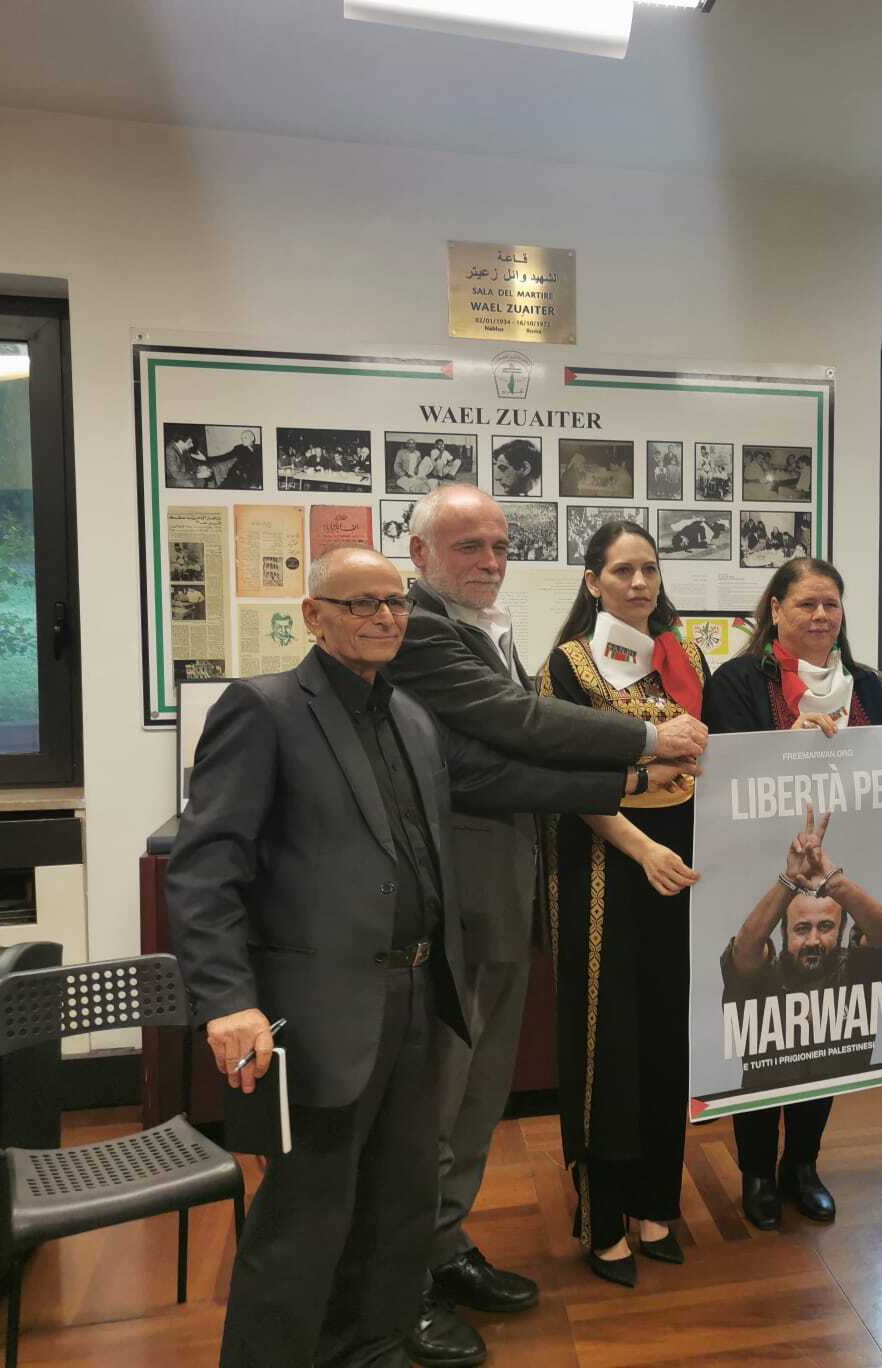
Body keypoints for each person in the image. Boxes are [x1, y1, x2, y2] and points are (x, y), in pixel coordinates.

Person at [165, 546, 632, 1368]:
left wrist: (630, 780)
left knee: (398, 1205)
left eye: (394, 603)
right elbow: (205, 871)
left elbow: (492, 781)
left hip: (421, 995)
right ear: (314, 617)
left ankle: (370, 1348)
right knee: (305, 1219)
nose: (385, 617)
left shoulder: (412, 717)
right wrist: (228, 1001)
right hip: (321, 1013)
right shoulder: (264, 711)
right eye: (361, 604)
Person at [385, 487, 707, 1363]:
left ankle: (444, 1245)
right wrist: (642, 754)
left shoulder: (485, 627)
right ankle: (404, 1284)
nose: (490, 561)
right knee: (439, 1096)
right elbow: (508, 737)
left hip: (506, 893)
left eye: (499, 545)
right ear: (420, 556)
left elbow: (507, 760)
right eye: (467, 546)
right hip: (456, 899)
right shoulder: (421, 630)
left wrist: (628, 778)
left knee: (480, 1092)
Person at [702, 556, 882, 1230]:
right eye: (806, 603)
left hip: (843, 869)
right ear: (775, 609)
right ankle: (756, 1170)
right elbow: (723, 771)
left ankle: (802, 1164)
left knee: (826, 1034)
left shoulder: (868, 684)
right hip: (757, 872)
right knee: (760, 1033)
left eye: (831, 604)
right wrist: (783, 745)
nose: (820, 616)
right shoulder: (736, 681)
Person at [541, 520, 709, 1289]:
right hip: (605, 868)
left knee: (666, 1034)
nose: (639, 583)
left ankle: (654, 1204)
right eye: (621, 571)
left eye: (649, 569)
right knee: (607, 1041)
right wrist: (642, 849)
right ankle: (603, 1217)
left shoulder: (687, 656)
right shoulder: (568, 665)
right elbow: (566, 780)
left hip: (682, 869)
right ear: (593, 582)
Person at [721, 807, 882, 1084]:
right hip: (765, 1097)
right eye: (802, 928)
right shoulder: (766, 976)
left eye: (826, 926)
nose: (814, 940)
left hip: (833, 1095)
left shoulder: (855, 971)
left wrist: (835, 882)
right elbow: (743, 951)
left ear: (842, 929)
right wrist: (789, 880)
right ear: (784, 931)